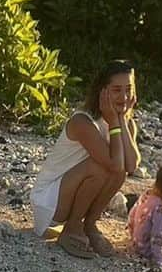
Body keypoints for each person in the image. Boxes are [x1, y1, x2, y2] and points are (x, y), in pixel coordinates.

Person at [30, 60, 141, 258]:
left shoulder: (126, 122)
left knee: (119, 171)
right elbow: (113, 163)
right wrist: (114, 121)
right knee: (100, 167)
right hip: (50, 201)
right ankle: (72, 228)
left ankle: (88, 224)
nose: (124, 97)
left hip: (73, 191)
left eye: (128, 90)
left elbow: (130, 166)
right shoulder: (82, 121)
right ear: (102, 91)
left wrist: (121, 121)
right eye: (116, 90)